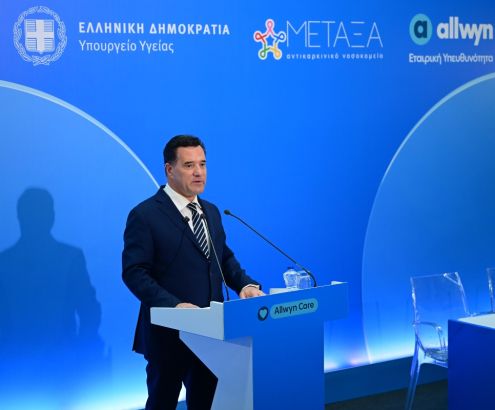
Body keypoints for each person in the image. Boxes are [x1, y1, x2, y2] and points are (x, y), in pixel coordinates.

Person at [122, 135, 263, 410]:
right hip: (168, 336)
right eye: (189, 165)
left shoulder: (211, 211)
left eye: (202, 164)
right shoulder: (145, 215)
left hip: (211, 334)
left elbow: (223, 257)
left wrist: (244, 285)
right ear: (169, 169)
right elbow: (134, 272)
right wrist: (174, 306)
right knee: (162, 404)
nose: (199, 172)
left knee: (207, 404)